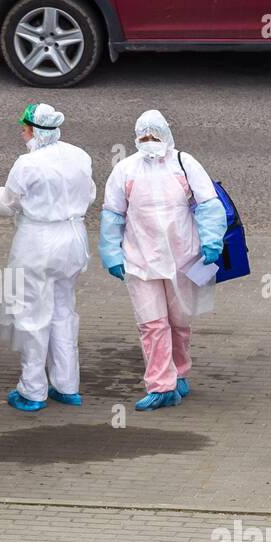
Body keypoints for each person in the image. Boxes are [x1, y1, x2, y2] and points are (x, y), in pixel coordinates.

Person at [0, 103, 95, 412]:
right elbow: (90, 194)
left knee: (32, 316)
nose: (21, 131)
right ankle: (67, 385)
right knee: (63, 312)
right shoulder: (79, 156)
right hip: (73, 241)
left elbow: (6, 203)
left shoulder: (28, 164)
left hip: (38, 244)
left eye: (24, 126)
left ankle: (33, 390)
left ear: (34, 130)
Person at [99, 110, 227, 412]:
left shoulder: (185, 163)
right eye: (144, 137)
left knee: (179, 321)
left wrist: (211, 240)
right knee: (151, 324)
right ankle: (161, 385)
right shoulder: (125, 170)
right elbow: (112, 214)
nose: (149, 142)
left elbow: (209, 204)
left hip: (182, 258)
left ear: (166, 135)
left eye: (154, 136)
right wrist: (111, 252)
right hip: (139, 260)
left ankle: (180, 371)